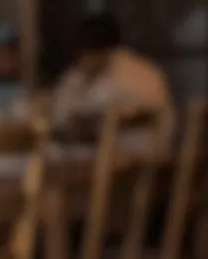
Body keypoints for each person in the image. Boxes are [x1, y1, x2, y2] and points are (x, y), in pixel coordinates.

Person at [51, 14, 175, 154]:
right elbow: (60, 115)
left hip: (132, 159)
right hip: (139, 161)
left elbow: (73, 118)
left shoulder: (131, 76)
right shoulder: (78, 74)